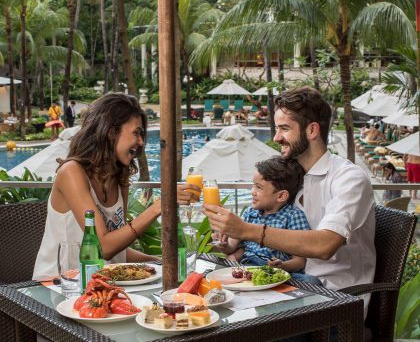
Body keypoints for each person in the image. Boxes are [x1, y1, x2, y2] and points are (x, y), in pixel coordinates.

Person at [204, 86, 376, 318]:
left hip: (336, 299)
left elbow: (325, 246)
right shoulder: (290, 178)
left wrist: (246, 230)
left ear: (312, 130)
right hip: (287, 287)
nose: (276, 138)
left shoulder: (349, 179)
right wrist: (232, 239)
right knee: (211, 306)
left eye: (284, 128)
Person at [33, 93, 200, 281]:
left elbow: (116, 249)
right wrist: (160, 206)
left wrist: (160, 263)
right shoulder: (71, 173)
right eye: (136, 133)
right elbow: (103, 247)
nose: (141, 142)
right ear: (111, 133)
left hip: (100, 284)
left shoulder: (119, 176)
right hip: (57, 284)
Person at [215, 156, 320, 284]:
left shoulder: (293, 216)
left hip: (278, 272)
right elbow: (231, 247)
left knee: (312, 281)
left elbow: (300, 261)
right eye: (253, 185)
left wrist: (282, 266)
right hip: (248, 266)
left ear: (281, 196)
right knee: (219, 268)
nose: (252, 191)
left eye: (259, 187)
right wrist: (223, 245)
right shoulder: (250, 213)